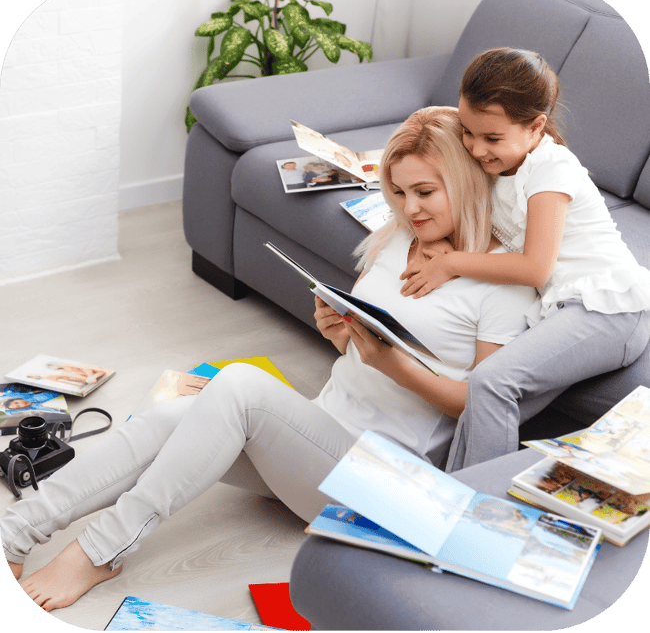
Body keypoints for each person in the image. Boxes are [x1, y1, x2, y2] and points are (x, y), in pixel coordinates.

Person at [0, 107, 537, 612]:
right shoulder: (400, 239)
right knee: (170, 416)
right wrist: (340, 334)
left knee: (239, 386)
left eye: (425, 191)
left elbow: (479, 404)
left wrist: (392, 366)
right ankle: (17, 531)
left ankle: (99, 551)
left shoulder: (503, 285)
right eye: (398, 192)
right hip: (319, 441)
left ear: (465, 184)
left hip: (387, 485)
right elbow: (367, 338)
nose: (410, 207)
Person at [397, 48, 650, 471]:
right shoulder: (499, 165)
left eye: (491, 138)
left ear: (536, 127)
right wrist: (443, 240)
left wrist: (451, 262)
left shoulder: (550, 168)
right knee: (484, 402)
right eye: (468, 132)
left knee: (491, 381)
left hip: (609, 310)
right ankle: (452, 502)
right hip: (561, 311)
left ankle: (480, 516)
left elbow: (535, 268)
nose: (476, 149)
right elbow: (430, 126)